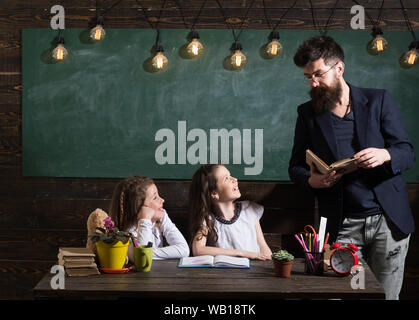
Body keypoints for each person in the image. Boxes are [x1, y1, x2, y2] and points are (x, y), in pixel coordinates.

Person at [288, 35, 415, 300]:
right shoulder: (307, 114)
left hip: (387, 220)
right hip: (341, 222)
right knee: (338, 296)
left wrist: (384, 154)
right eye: (308, 76)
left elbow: (406, 152)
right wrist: (312, 181)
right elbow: (295, 167)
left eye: (319, 74)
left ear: (339, 68)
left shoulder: (378, 100)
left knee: (387, 297)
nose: (313, 82)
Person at [189, 164, 272, 260]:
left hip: (254, 271)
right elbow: (198, 250)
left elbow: (263, 246)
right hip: (227, 274)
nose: (234, 179)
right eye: (226, 178)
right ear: (214, 193)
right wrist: (241, 253)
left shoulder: (249, 210)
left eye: (230, 175)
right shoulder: (208, 219)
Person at [109, 175, 189, 262]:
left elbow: (184, 250)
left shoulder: (161, 215)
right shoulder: (127, 235)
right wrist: (145, 219)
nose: (162, 200)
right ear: (139, 208)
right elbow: (142, 258)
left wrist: (148, 252)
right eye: (155, 198)